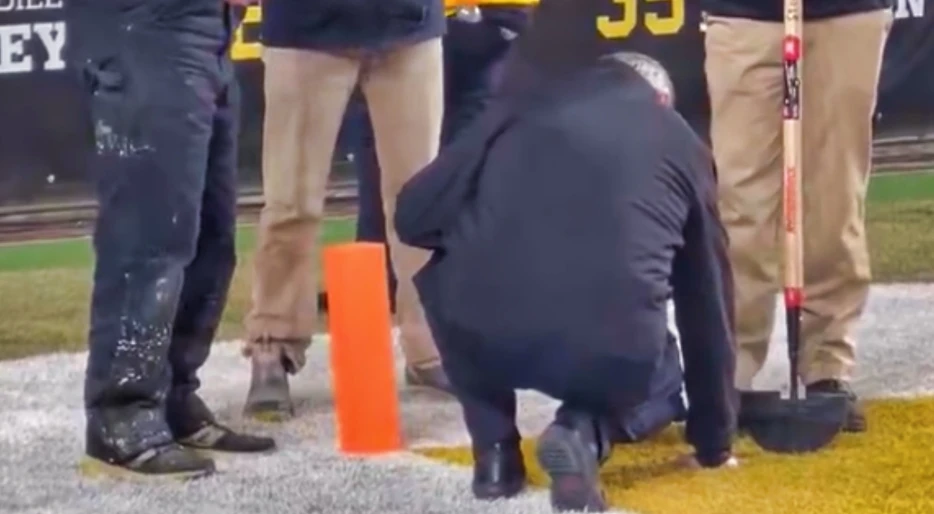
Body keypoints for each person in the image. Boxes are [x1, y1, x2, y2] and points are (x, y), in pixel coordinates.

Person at [394, 9, 739, 507]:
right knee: (662, 375)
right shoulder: (681, 142)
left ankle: (494, 455)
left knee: (452, 277)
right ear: (661, 99)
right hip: (604, 346)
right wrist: (714, 437)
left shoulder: (517, 109)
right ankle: (583, 432)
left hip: (483, 333)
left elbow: (412, 217)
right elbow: (707, 301)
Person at [67, 0, 276, 481]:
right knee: (150, 233)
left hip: (212, 30)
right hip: (147, 26)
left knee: (208, 234)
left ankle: (172, 395)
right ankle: (120, 417)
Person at [243, 0, 450, 421]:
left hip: (409, 25)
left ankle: (429, 344)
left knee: (421, 201)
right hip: (306, 28)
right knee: (291, 202)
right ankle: (272, 343)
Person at [702, 0, 892, 432]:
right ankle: (731, 373)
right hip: (744, 14)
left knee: (834, 196)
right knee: (741, 202)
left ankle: (828, 366)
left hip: (847, 13)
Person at [347, 1, 533, 312]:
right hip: (422, 24)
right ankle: (391, 286)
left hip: (448, 22)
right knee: (449, 162)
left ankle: (389, 285)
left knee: (435, 162)